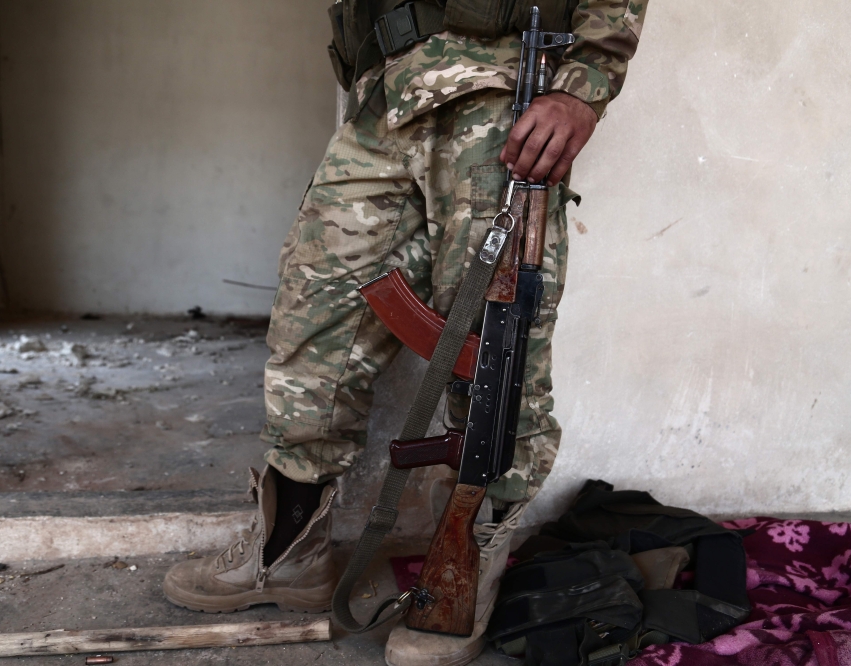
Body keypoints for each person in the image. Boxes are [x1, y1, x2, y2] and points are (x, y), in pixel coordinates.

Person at [163, 1, 647, 664]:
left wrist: (584, 83)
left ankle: (462, 576)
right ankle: (290, 554)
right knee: (316, 324)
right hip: (382, 99)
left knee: (496, 350)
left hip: (497, 97)